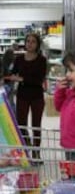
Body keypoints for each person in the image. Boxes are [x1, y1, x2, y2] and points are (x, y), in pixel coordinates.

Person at [8, 33, 47, 162]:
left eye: (33, 42)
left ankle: (36, 153)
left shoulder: (42, 60)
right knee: (21, 124)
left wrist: (22, 79)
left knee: (36, 125)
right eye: (28, 41)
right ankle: (27, 146)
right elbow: (12, 73)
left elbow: (39, 80)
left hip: (37, 96)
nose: (30, 44)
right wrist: (7, 77)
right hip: (22, 96)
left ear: (37, 44)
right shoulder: (19, 59)